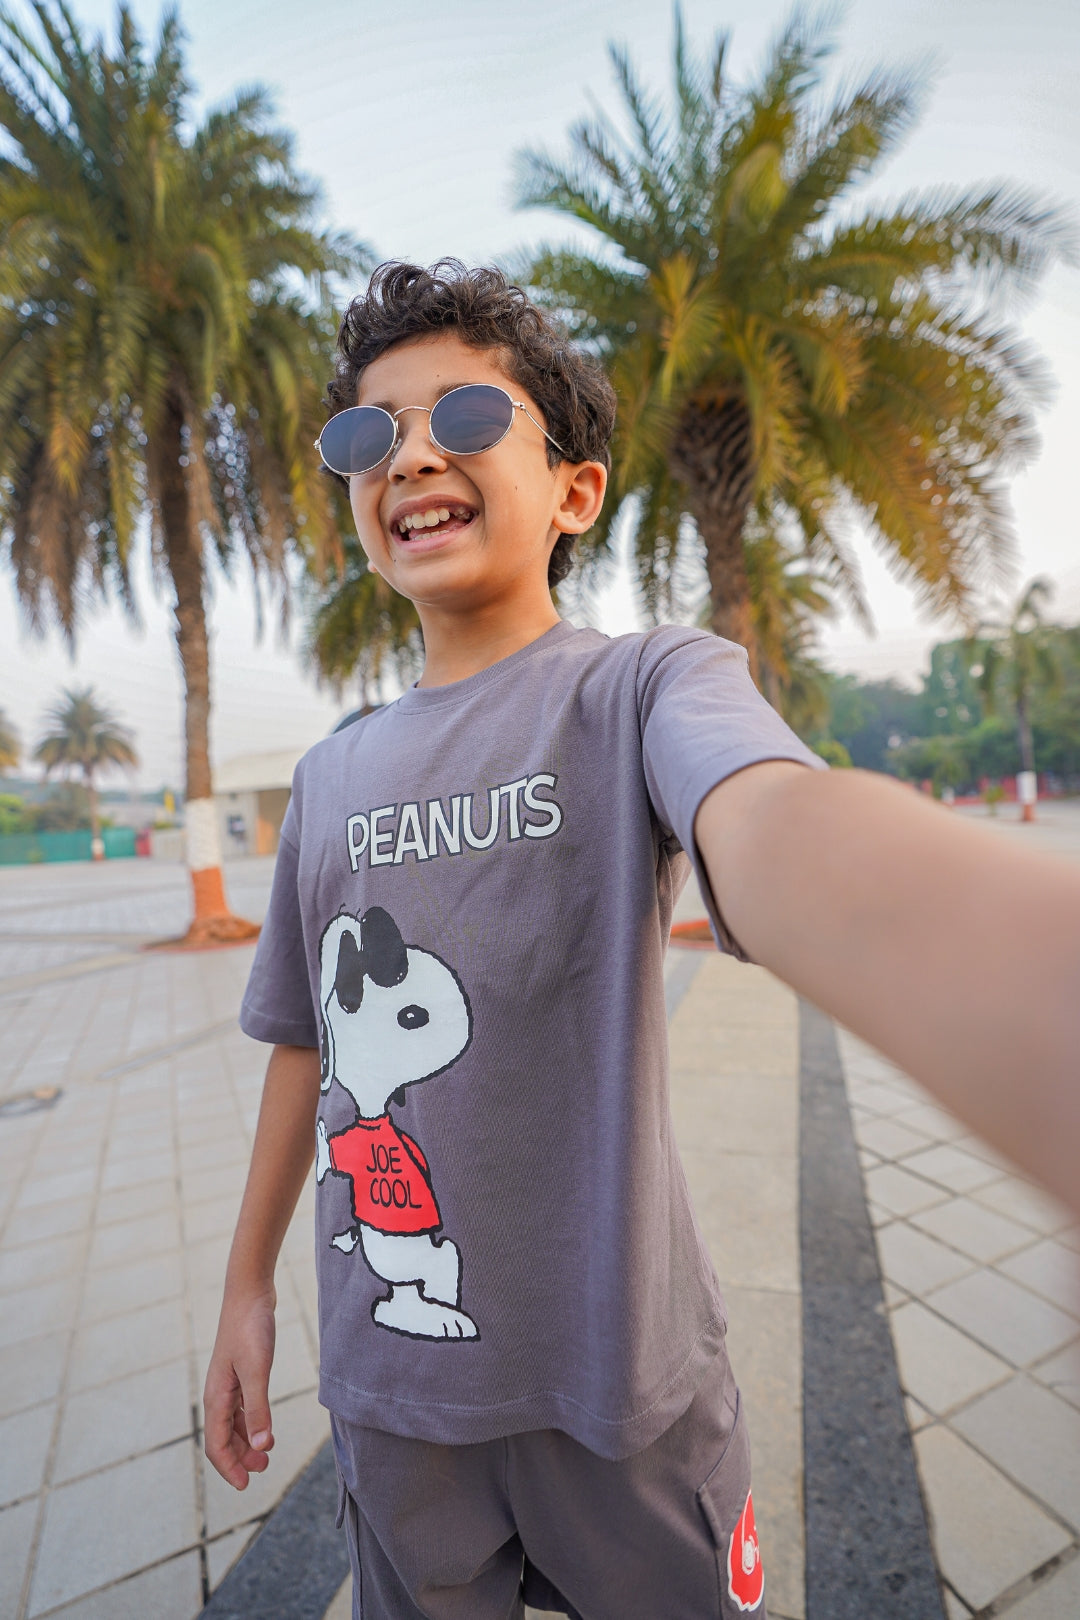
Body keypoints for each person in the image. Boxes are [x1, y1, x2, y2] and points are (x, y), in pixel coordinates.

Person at [204, 261, 1080, 1620]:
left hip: (624, 1385)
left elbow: (771, 822)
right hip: (395, 1388)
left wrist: (981, 957)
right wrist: (246, 1288)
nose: (412, 457)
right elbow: (301, 1047)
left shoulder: (644, 685)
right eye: (370, 435)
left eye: (467, 419)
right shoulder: (328, 777)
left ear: (575, 492)